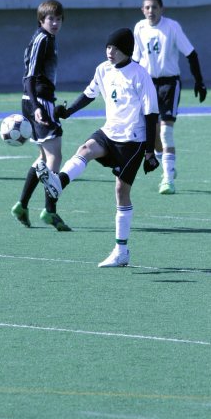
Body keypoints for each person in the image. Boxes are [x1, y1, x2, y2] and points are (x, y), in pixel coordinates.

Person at [36, 27, 160, 267]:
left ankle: (121, 251)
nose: (109, 51)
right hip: (109, 133)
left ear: (126, 50)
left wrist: (150, 152)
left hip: (133, 140)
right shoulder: (103, 70)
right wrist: (68, 111)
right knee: (85, 149)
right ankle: (58, 184)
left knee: (120, 191)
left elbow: (151, 114)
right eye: (107, 47)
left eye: (114, 48)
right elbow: (89, 94)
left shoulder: (140, 75)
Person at [133, 0, 207, 195]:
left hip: (169, 85)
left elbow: (191, 54)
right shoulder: (139, 28)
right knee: (153, 133)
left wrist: (199, 82)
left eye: (154, 7)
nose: (151, 11)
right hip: (147, 84)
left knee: (166, 131)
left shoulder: (172, 27)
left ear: (161, 9)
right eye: (147, 7)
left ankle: (167, 179)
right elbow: (136, 60)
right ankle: (169, 166)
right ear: (142, 10)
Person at [11, 0, 71, 232]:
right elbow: (29, 76)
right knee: (55, 156)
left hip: (40, 101)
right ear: (41, 20)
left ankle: (22, 205)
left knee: (44, 159)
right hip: (39, 103)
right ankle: (50, 210)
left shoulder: (48, 38)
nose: (55, 23)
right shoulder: (42, 39)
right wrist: (37, 106)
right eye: (50, 19)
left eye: (58, 19)